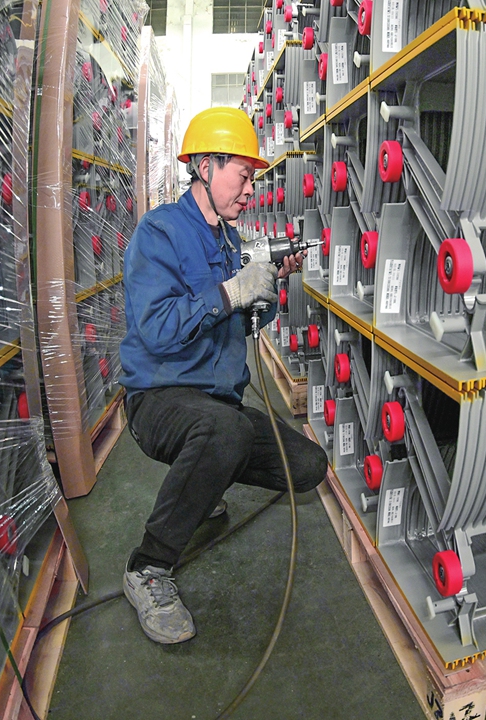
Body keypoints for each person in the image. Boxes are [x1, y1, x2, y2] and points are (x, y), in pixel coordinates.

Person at [118, 107, 329, 644]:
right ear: (207, 167)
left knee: (307, 465)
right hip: (159, 399)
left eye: (254, 178)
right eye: (243, 174)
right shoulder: (159, 232)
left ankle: (204, 475)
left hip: (217, 406)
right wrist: (231, 291)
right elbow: (158, 329)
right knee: (226, 431)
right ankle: (148, 567)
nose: (250, 189)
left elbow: (250, 323)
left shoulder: (230, 242)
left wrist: (268, 287)